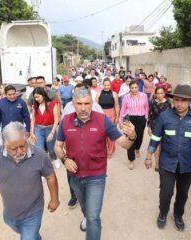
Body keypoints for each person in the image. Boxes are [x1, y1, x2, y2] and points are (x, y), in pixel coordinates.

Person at [54, 86, 136, 240]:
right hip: (75, 176)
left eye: (87, 104)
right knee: (86, 208)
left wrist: (132, 136)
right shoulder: (65, 122)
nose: (83, 108)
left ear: (92, 103)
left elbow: (125, 144)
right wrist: (65, 160)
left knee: (93, 217)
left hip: (96, 177)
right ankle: (87, 216)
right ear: (73, 103)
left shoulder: (102, 120)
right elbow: (57, 146)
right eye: (79, 104)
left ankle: (90, 220)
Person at [0, 122, 59, 240]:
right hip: (9, 214)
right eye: (14, 148)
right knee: (25, 232)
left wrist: (54, 199)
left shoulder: (40, 155)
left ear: (26, 137)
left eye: (23, 145)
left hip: (33, 212)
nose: (20, 151)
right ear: (4, 144)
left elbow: (50, 177)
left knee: (29, 236)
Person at [145, 84, 191, 231]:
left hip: (188, 165)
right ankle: (163, 213)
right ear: (173, 100)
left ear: (190, 101)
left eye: (183, 100)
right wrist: (148, 156)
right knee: (166, 192)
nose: (179, 104)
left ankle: (178, 215)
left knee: (183, 193)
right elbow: (156, 137)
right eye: (177, 100)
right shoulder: (165, 117)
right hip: (167, 163)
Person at [119, 80, 149, 170]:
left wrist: (146, 117)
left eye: (136, 87)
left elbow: (146, 107)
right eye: (132, 87)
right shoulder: (126, 97)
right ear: (130, 88)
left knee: (139, 137)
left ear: (138, 87)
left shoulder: (144, 96)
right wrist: (121, 121)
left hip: (141, 119)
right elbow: (123, 110)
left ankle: (137, 149)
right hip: (129, 119)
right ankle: (131, 160)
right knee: (130, 139)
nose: (134, 89)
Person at [30, 87, 61, 169]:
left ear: (43, 95)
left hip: (50, 128)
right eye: (35, 97)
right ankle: (42, 168)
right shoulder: (35, 106)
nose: (37, 99)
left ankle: (55, 158)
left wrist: (52, 132)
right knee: (40, 150)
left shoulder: (53, 103)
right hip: (38, 129)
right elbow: (33, 119)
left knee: (51, 149)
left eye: (38, 97)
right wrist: (32, 132)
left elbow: (56, 118)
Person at [147, 87, 172, 171]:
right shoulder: (152, 103)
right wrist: (149, 127)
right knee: (156, 145)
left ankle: (164, 162)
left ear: (164, 93)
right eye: (158, 93)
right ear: (155, 94)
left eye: (161, 93)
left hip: (166, 126)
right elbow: (150, 115)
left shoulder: (168, 103)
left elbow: (171, 115)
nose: (160, 95)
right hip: (155, 126)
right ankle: (157, 163)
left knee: (164, 144)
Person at [96, 78, 120, 159]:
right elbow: (96, 106)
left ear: (110, 85)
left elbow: (116, 105)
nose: (106, 87)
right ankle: (102, 150)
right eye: (105, 85)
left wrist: (117, 117)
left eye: (108, 85)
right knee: (101, 134)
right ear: (103, 85)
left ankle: (110, 151)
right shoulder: (98, 93)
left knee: (110, 134)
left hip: (111, 114)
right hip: (101, 114)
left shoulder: (114, 94)